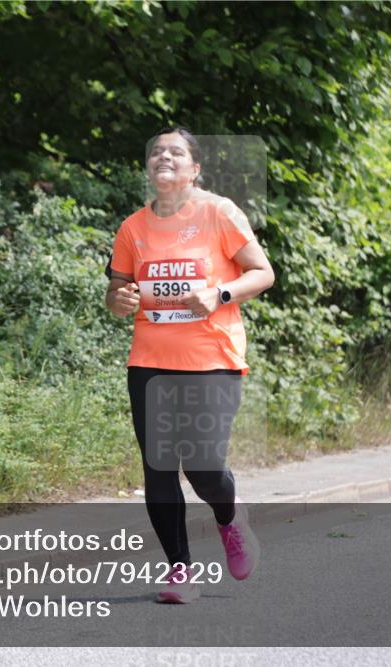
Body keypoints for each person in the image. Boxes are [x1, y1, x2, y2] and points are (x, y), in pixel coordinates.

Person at [105, 126, 275, 604]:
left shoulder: (219, 212)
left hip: (211, 358)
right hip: (150, 362)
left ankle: (229, 516)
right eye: (156, 150)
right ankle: (180, 570)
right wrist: (118, 300)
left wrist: (218, 293)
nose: (164, 156)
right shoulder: (132, 228)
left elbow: (263, 272)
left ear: (195, 168)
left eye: (176, 151)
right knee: (159, 469)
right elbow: (116, 294)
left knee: (203, 466)